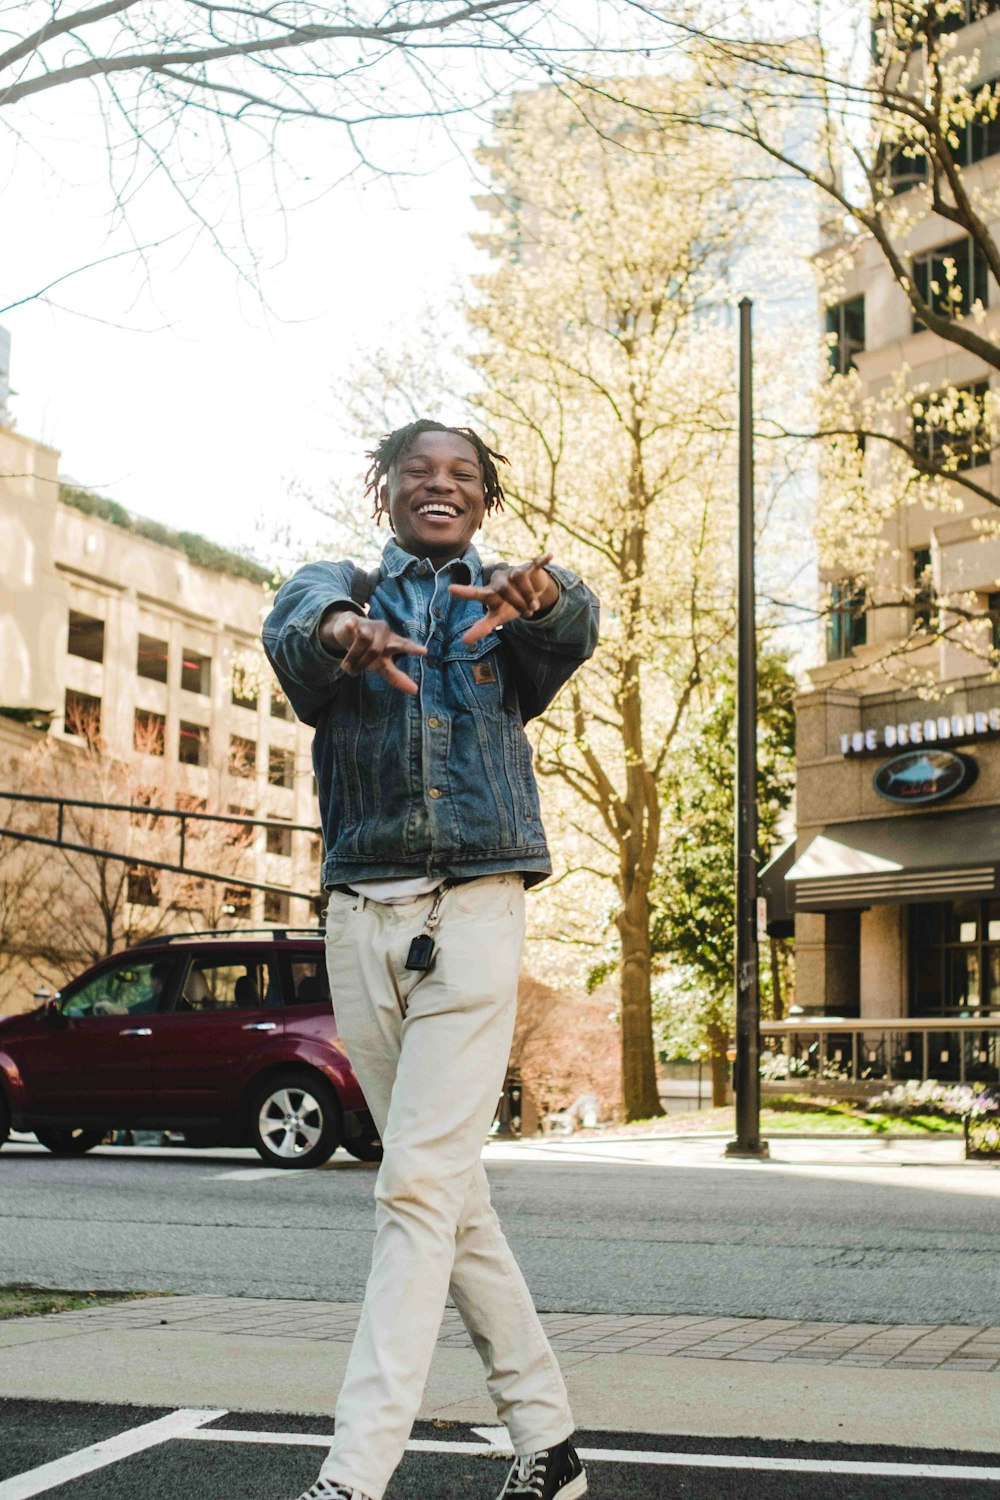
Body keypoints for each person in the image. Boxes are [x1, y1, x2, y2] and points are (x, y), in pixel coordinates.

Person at [262, 419, 599, 1500]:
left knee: (412, 1185)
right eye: (420, 474)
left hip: (479, 905)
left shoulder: (505, 600)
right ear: (386, 491)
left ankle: (353, 1477)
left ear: (485, 499)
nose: (439, 487)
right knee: (445, 1193)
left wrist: (539, 600)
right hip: (362, 912)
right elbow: (294, 627)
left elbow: (572, 620)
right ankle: (548, 1444)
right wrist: (344, 633)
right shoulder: (336, 580)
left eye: (462, 476)